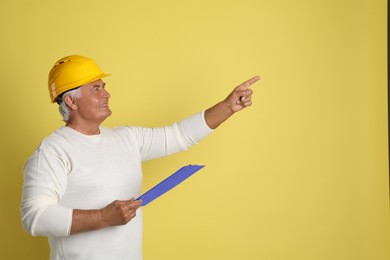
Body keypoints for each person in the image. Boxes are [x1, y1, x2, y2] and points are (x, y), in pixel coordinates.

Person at [20, 55, 260, 260]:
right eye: (96, 89)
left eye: (104, 86)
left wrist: (228, 106)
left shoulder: (127, 138)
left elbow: (178, 136)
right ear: (71, 101)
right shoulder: (52, 152)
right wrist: (104, 217)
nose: (107, 94)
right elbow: (35, 216)